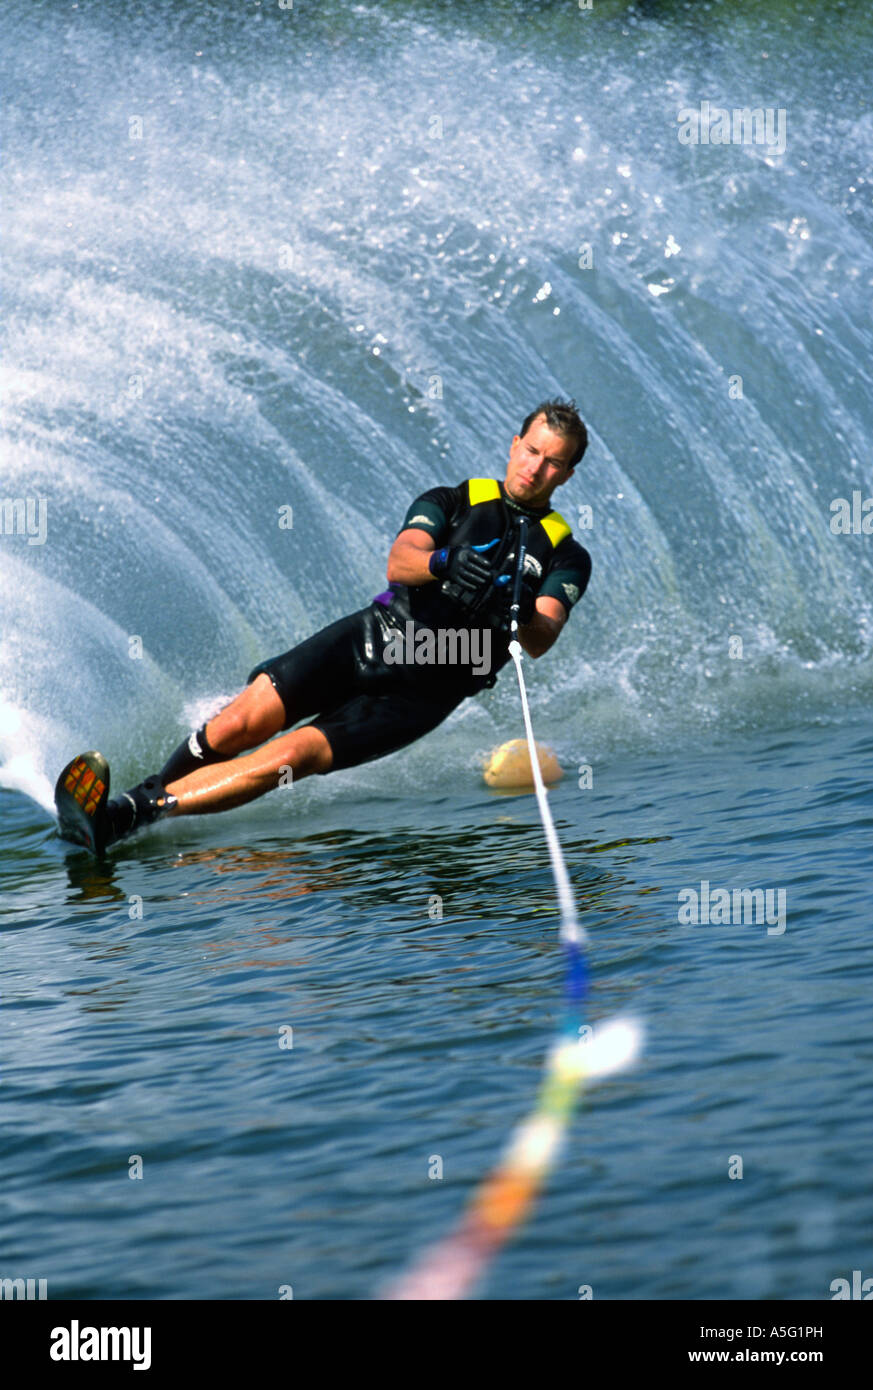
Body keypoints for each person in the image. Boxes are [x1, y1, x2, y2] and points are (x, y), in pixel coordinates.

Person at [80, 399, 592, 852]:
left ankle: (131, 816)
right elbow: (400, 561)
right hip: (373, 637)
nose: (535, 468)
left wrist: (520, 606)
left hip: (430, 687)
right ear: (514, 444)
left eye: (553, 463)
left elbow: (542, 638)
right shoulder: (451, 500)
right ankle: (136, 802)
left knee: (294, 754)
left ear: (566, 475)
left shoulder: (566, 554)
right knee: (240, 723)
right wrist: (443, 564)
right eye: (531, 451)